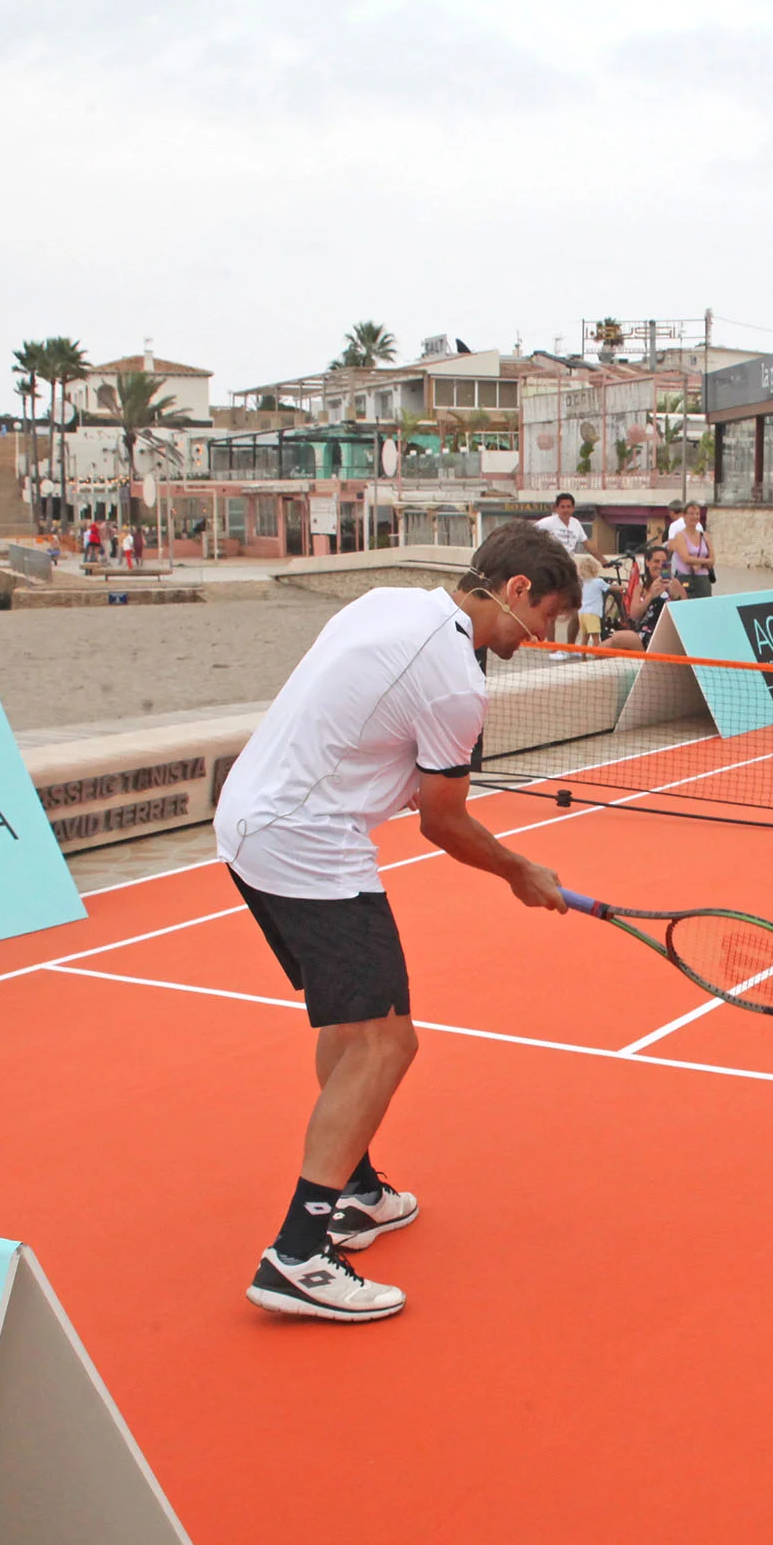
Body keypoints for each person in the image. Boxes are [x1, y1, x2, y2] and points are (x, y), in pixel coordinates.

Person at [216, 525, 578, 1323]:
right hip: (305, 838)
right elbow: (440, 820)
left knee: (354, 1026)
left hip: (251, 816)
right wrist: (521, 870)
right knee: (388, 1039)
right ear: (516, 589)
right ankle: (299, 1252)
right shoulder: (457, 683)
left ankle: (356, 1188)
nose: (545, 638)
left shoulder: (390, 603)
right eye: (546, 617)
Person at [535, 493, 610, 645]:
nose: (566, 510)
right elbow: (529, 535)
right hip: (551, 568)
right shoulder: (547, 523)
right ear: (556, 508)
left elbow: (587, 543)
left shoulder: (575, 524)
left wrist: (603, 561)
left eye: (569, 506)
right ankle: (553, 647)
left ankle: (570, 646)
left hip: (568, 568)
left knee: (575, 608)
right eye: (562, 507)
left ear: (573, 508)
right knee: (552, 609)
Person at [670, 505, 715, 598]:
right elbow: (685, 558)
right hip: (685, 577)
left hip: (703, 579)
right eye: (691, 514)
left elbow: (712, 560)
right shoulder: (680, 536)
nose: (695, 516)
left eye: (697, 514)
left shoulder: (705, 536)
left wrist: (698, 564)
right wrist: (704, 561)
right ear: (684, 515)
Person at [575, 555, 609, 643]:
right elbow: (610, 588)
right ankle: (596, 655)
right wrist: (622, 587)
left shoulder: (581, 583)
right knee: (596, 638)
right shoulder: (598, 582)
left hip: (582, 613)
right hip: (593, 613)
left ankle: (583, 656)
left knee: (585, 637)